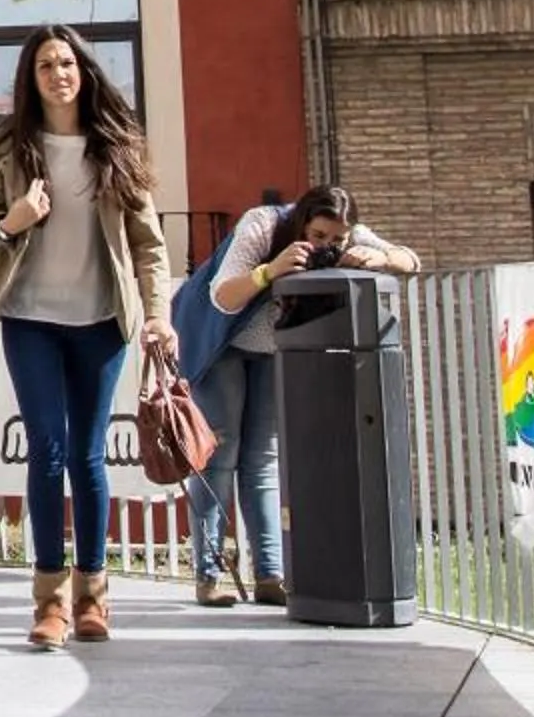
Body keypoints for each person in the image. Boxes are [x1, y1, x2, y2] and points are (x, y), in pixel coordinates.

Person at [0, 24, 174, 651]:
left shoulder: (116, 147)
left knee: (88, 457)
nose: (60, 73)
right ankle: (49, 601)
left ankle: (93, 597)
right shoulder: (4, 149)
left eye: (69, 62)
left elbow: (149, 247)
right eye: (47, 64)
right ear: (31, 77)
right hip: (29, 318)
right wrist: (11, 222)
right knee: (46, 451)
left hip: (102, 322)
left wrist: (158, 313)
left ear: (84, 72)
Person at [176, 184, 420, 608]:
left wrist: (378, 258)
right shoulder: (263, 223)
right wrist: (271, 270)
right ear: (302, 222)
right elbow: (223, 296)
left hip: (273, 348)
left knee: (264, 458)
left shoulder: (350, 235)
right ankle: (208, 575)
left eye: (335, 239)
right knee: (220, 455)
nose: (325, 246)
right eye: (318, 236)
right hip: (219, 343)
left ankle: (270, 574)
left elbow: (411, 261)